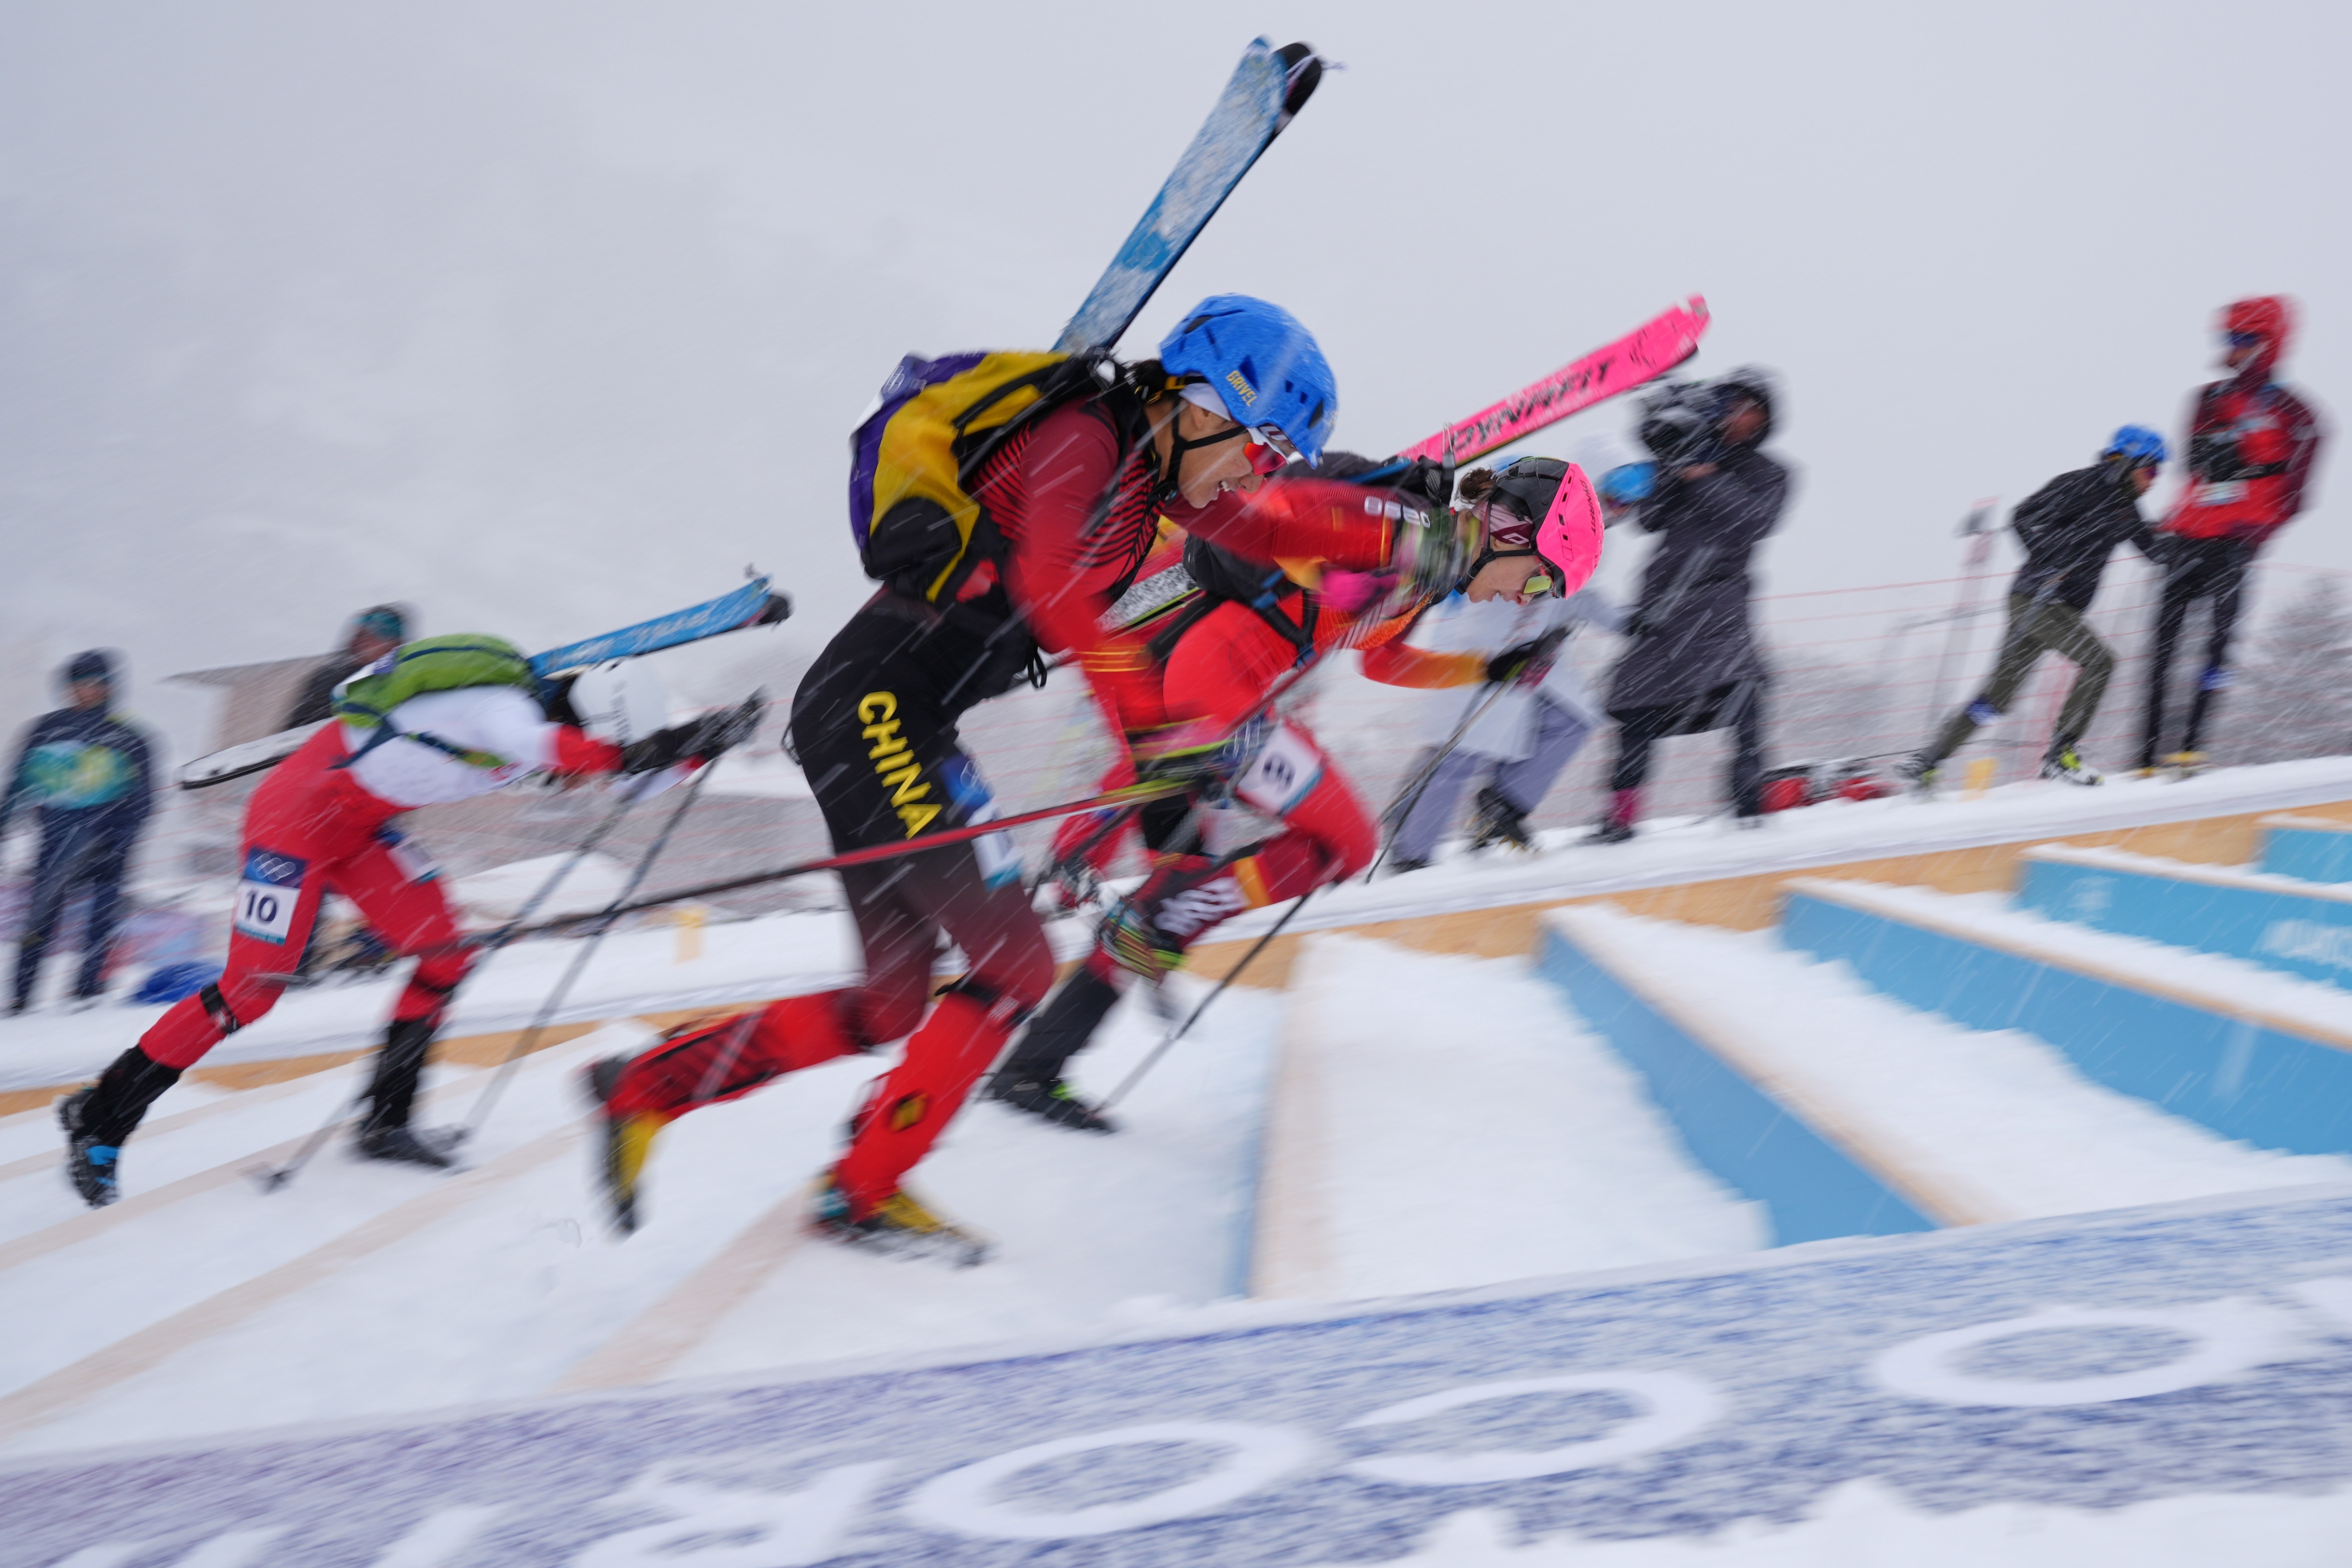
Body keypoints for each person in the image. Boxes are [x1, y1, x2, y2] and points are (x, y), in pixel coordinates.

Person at [581, 296, 1430, 1260]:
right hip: (874, 711)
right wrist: (1154, 725)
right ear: (1200, 406)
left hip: (889, 718)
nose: (1258, 469)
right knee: (1015, 964)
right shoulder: (1084, 437)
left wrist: (1414, 535)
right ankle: (860, 1190)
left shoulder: (1163, 481)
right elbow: (1050, 583)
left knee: (892, 1003)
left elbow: (1275, 531)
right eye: (1261, 445)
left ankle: (643, 1088)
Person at [989, 453, 1599, 1133]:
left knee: (1181, 887)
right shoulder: (1408, 531)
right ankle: (1162, 916)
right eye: (1541, 578)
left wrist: (1487, 667)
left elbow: (1382, 659)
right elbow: (1270, 517)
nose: (1528, 598)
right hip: (1208, 692)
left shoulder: (1430, 570)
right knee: (1348, 842)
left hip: (1219, 698)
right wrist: (1343, 564)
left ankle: (1033, 1067)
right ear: (1514, 530)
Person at [54, 634, 750, 1206]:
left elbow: (622, 772)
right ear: (585, 721)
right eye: (592, 756)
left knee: (446, 956)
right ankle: (100, 1114)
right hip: (293, 822)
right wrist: (651, 748)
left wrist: (700, 743)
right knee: (252, 989)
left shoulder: (559, 735)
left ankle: (386, 1123)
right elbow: (566, 755)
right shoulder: (498, 710)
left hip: (359, 831)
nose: (575, 785)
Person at [1386, 459, 1624, 871]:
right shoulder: (1535, 530)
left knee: (1562, 722)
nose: (1621, 506)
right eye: (1618, 490)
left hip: (1513, 660)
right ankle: (1410, 851)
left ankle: (1494, 808)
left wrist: (1557, 635)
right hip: (1477, 650)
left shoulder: (1566, 548)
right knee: (1459, 755)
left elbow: (1569, 597)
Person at [1902, 427, 2169, 791]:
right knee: (2099, 661)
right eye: (2152, 471)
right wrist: (2059, 553)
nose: (2154, 481)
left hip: (2057, 609)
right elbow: (2023, 517)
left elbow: (2155, 551)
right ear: (2129, 460)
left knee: (1997, 698)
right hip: (2037, 598)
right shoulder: (2079, 485)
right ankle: (2061, 755)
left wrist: (2191, 536)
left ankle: (1929, 760)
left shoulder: (2126, 510)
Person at [1592, 368, 1792, 842]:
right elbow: (1650, 518)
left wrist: (1704, 473)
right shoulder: (1691, 451)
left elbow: (1750, 522)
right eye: (1730, 403)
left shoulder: (1771, 472)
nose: (1735, 415)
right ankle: (1618, 820)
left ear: (1763, 418)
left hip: (1718, 603)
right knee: (1636, 711)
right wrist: (1670, 462)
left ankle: (1748, 809)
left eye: (1748, 408)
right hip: (1661, 602)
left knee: (1743, 699)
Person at [2138, 296, 2328, 776]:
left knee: (2217, 643)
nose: (2233, 349)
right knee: (2161, 643)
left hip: (2233, 543)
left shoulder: (2296, 414)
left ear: (2269, 342)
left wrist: (2255, 522)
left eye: (2244, 340)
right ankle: (2144, 752)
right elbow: (2193, 470)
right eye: (2228, 340)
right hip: (2185, 538)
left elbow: (2294, 493)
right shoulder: (2205, 398)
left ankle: (2190, 747)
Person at [1, 651, 156, 1014]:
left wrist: (120, 841)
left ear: (110, 686)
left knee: (100, 926)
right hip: (56, 846)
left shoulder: (130, 737)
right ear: (67, 688)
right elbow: (18, 788)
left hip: (108, 848)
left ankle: (87, 999)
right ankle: (19, 1000)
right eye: (78, 685)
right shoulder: (44, 731)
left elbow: (144, 800)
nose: (86, 691)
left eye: (95, 683)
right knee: (37, 924)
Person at [283, 604, 411, 728]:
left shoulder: (403, 678)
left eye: (374, 636)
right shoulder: (330, 676)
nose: (364, 642)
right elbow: (297, 728)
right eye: (361, 635)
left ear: (395, 644)